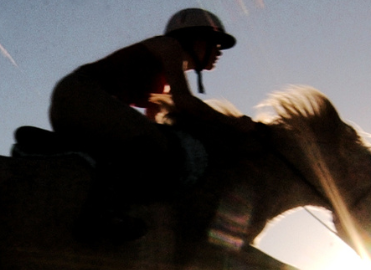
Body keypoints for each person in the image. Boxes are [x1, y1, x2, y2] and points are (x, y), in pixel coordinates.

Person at [49, 8, 255, 245]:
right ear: (196, 39)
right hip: (78, 95)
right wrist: (233, 124)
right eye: (215, 44)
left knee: (156, 146)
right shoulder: (170, 47)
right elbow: (185, 101)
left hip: (73, 101)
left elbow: (153, 119)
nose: (219, 52)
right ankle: (99, 216)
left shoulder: (163, 76)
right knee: (154, 143)